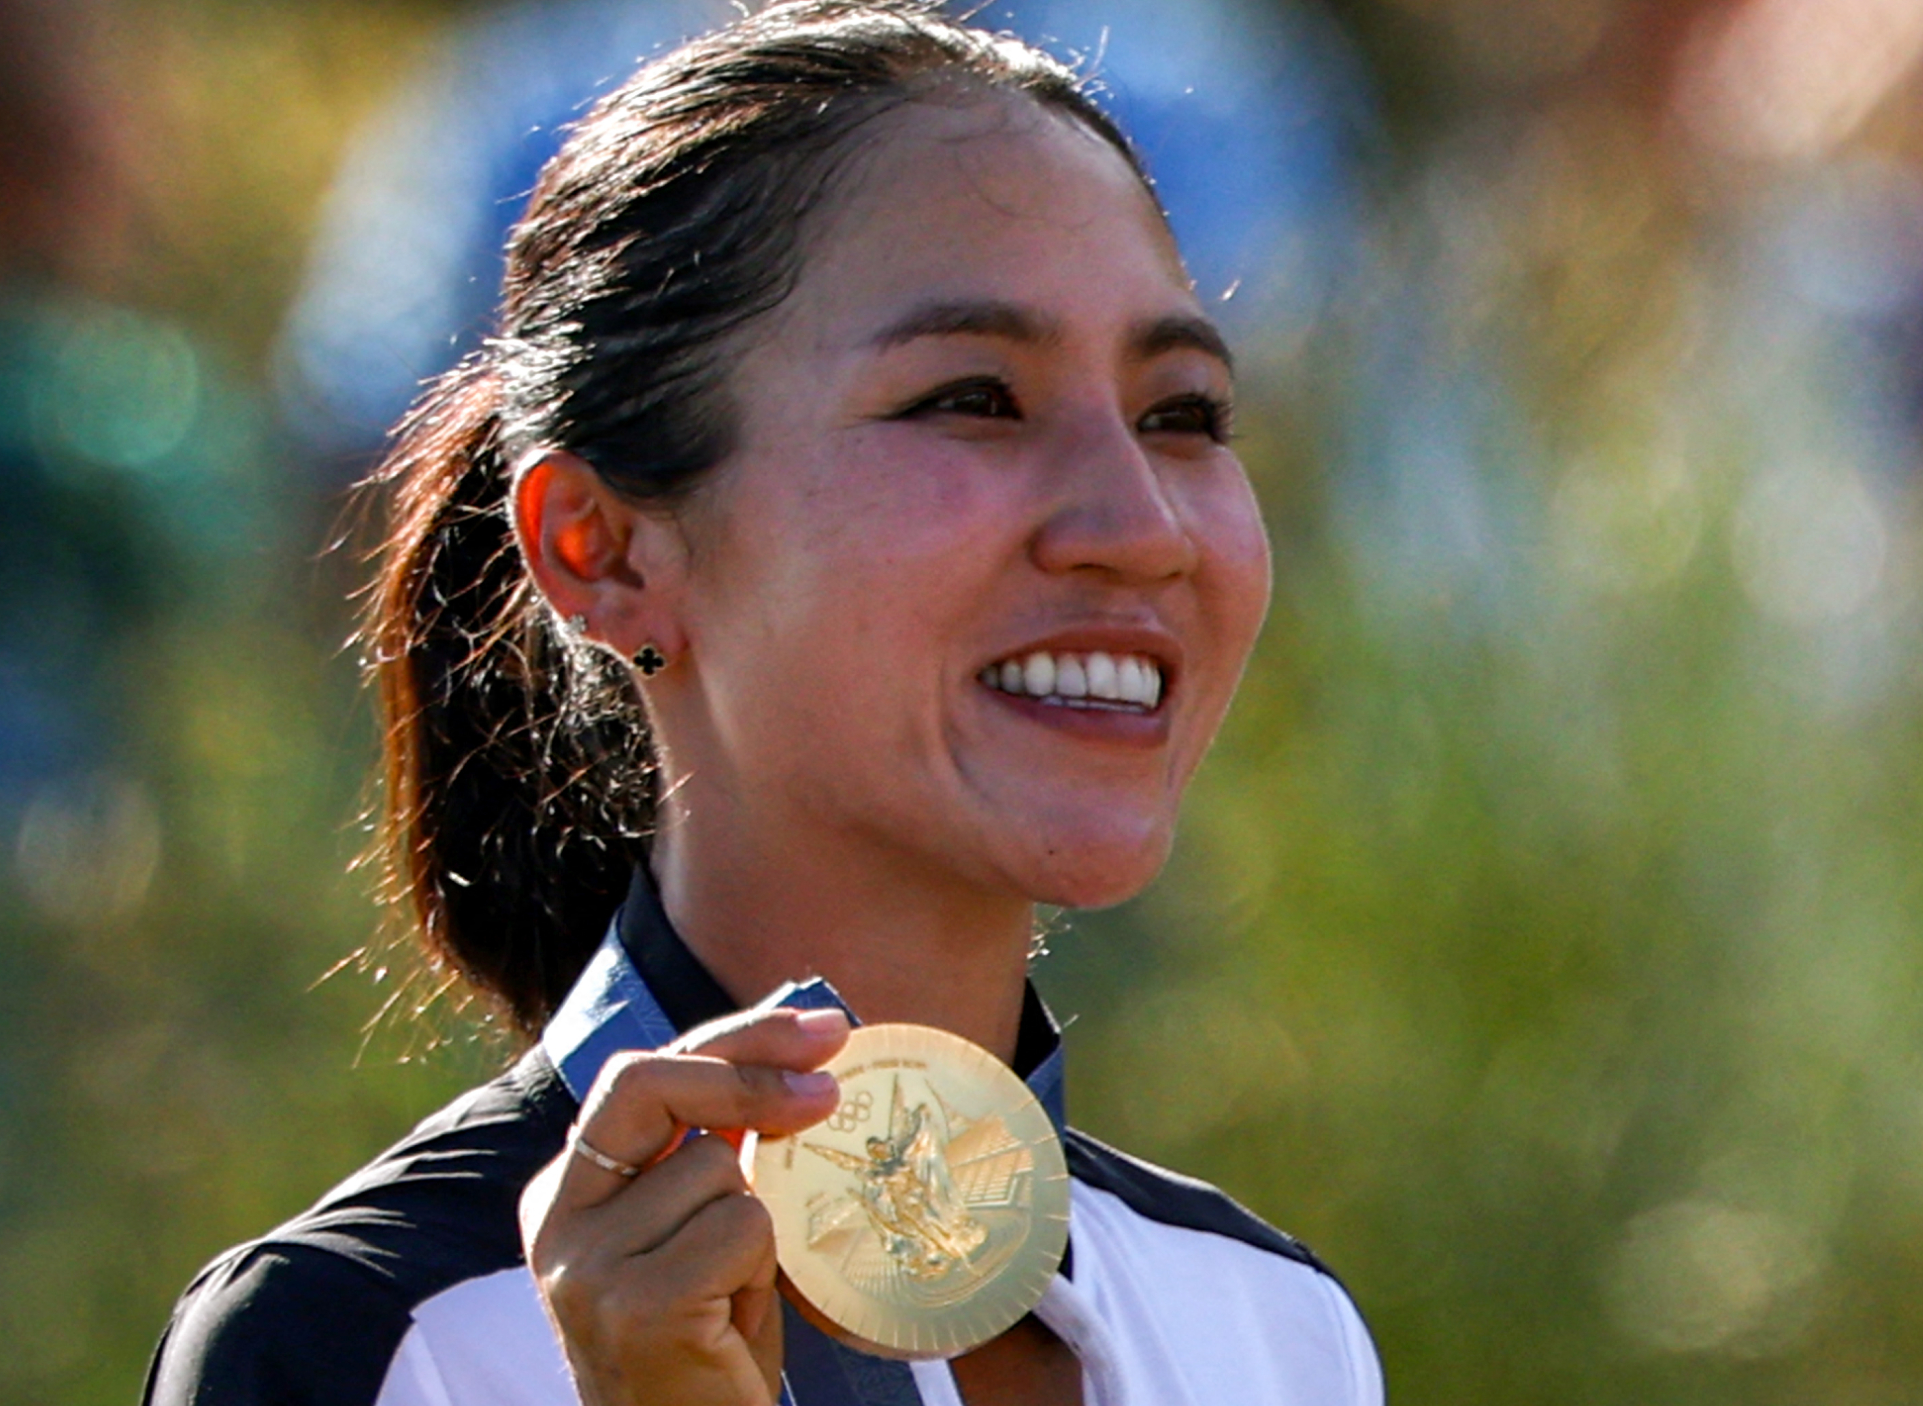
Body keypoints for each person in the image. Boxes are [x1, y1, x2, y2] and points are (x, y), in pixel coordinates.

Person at [145, 3, 1384, 1403]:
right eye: (973, 397)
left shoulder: (1274, 1330)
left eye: (1184, 412)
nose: (1140, 523)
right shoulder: (376, 1344)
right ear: (599, 549)